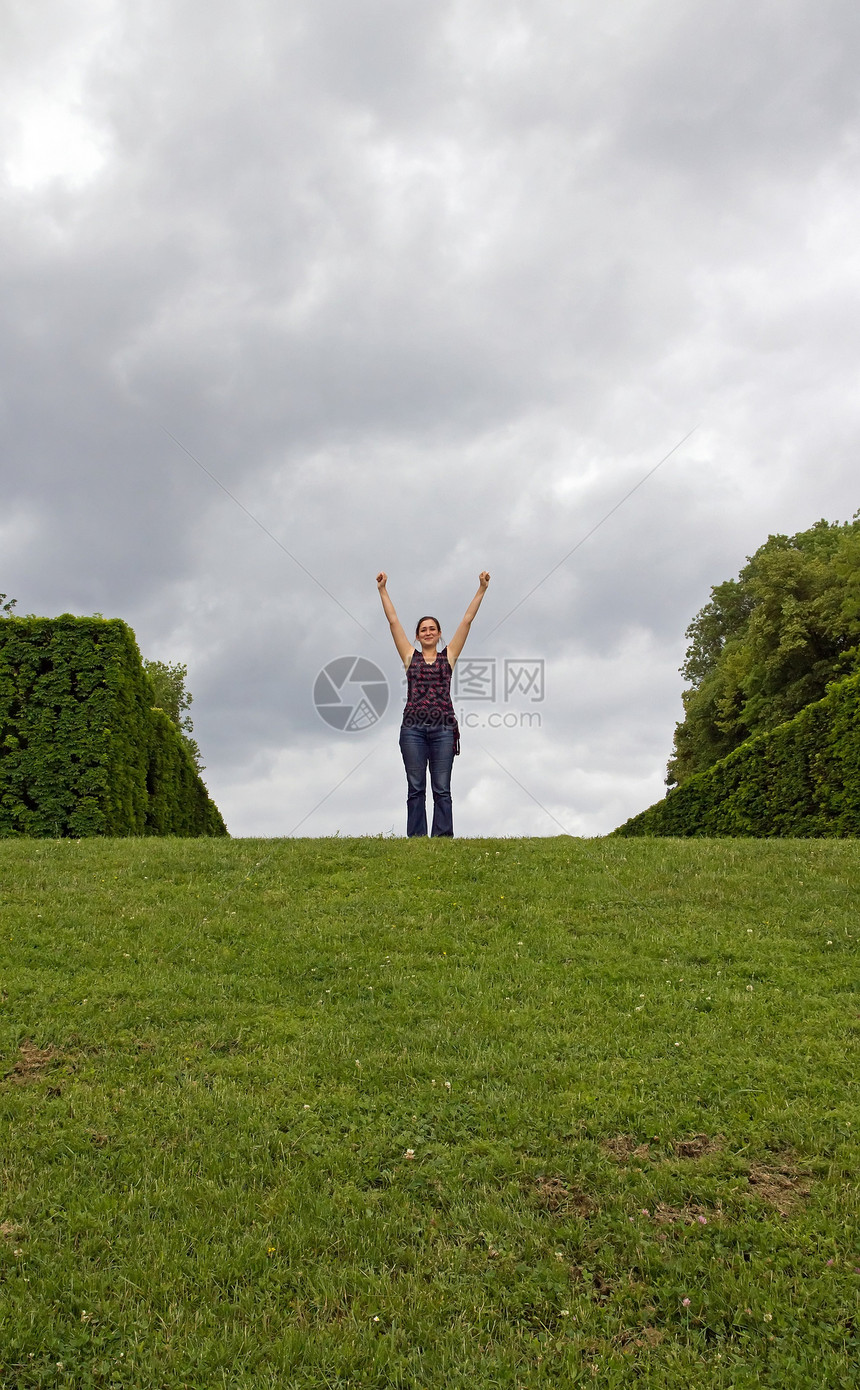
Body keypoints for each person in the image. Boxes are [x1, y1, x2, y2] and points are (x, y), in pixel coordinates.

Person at [376, 571, 490, 837]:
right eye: (423, 629)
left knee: (442, 788)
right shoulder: (409, 656)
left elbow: (467, 620)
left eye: (432, 629)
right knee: (416, 788)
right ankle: (416, 839)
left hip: (443, 730)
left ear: (439, 634)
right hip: (413, 730)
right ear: (417, 636)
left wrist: (482, 588)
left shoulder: (448, 656)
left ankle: (442, 838)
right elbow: (393, 622)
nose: (428, 632)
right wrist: (383, 590)